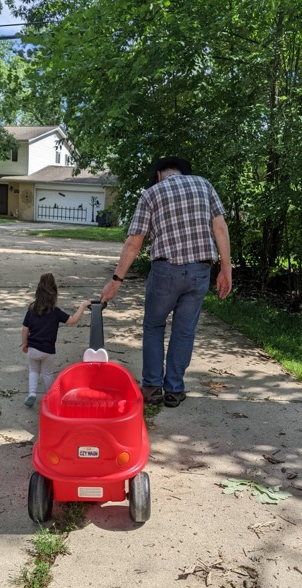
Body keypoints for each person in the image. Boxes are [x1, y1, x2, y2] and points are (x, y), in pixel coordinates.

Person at [100, 156, 232, 408]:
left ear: (159, 174)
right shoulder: (204, 185)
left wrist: (116, 281)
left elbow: (134, 242)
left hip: (165, 272)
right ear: (182, 172)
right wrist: (226, 268)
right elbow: (220, 228)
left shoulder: (152, 194)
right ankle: (174, 389)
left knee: (154, 326)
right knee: (184, 331)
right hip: (199, 271)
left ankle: (151, 388)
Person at [22, 273, 91, 407]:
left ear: (38, 292)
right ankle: (49, 397)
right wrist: (83, 306)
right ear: (54, 294)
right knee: (47, 373)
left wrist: (25, 344)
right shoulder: (56, 312)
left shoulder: (32, 309)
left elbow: (25, 329)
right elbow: (73, 320)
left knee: (33, 370)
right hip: (48, 351)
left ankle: (32, 393)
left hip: (33, 349)